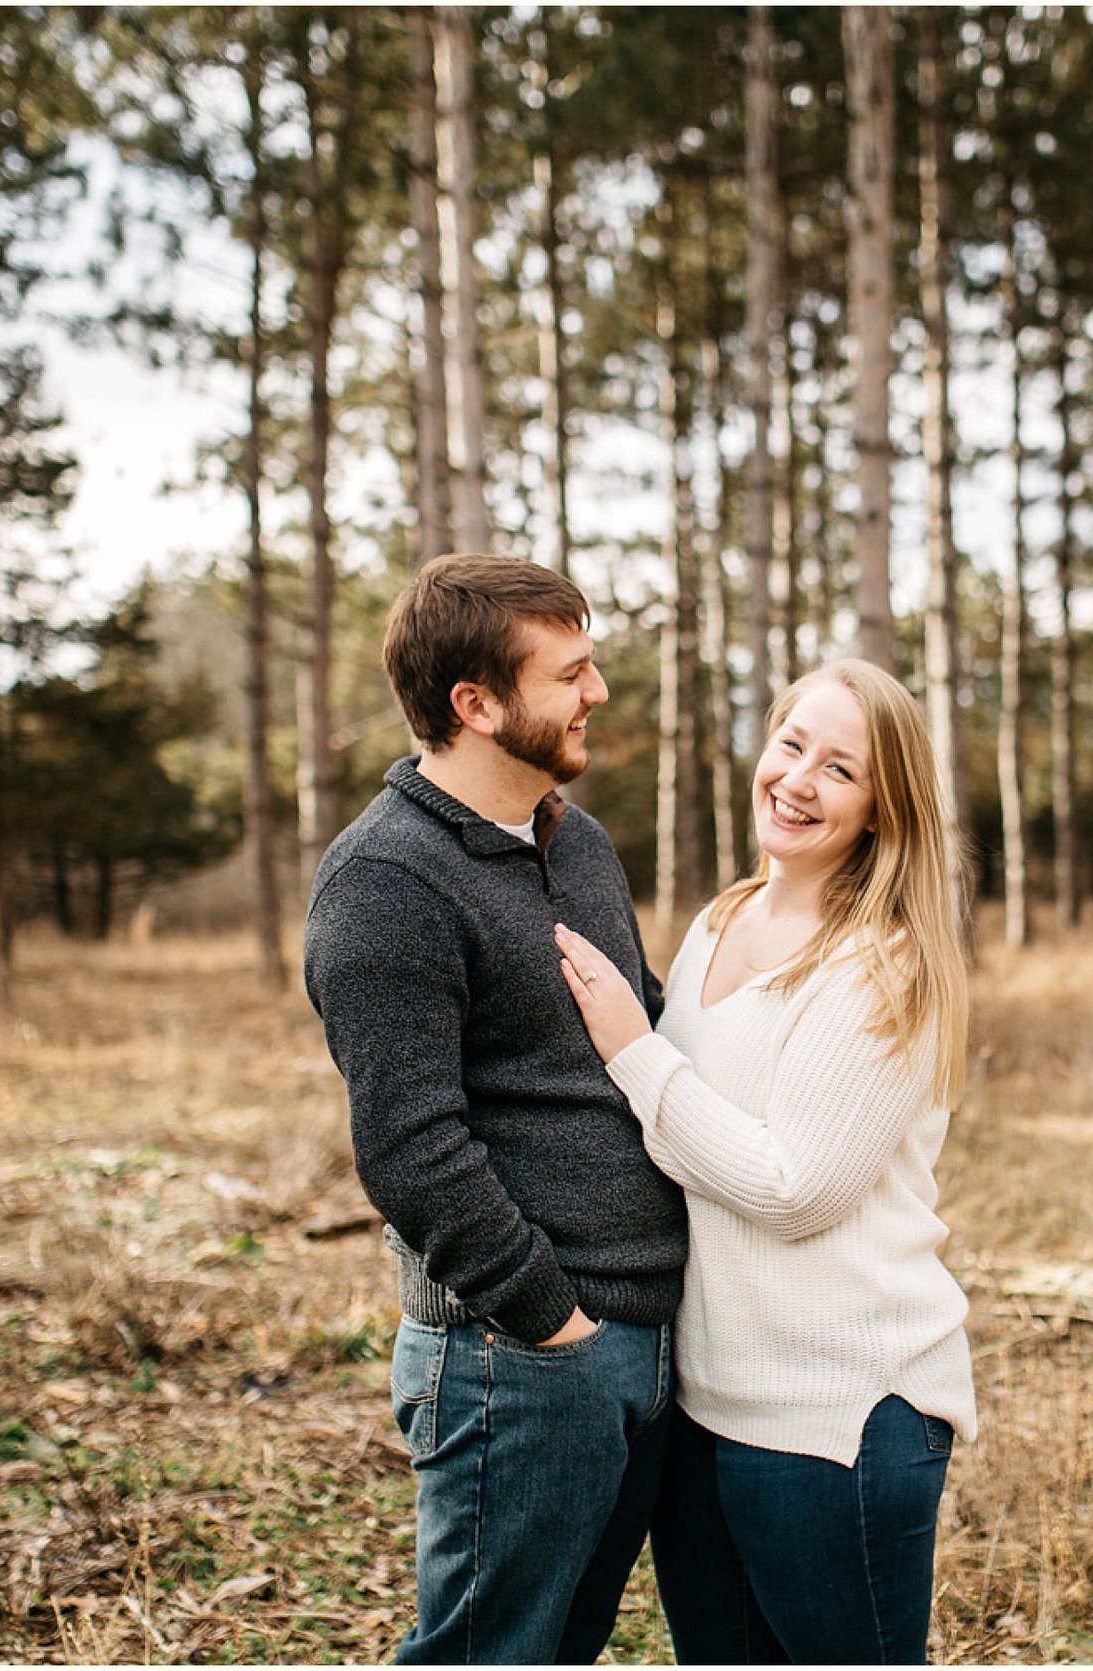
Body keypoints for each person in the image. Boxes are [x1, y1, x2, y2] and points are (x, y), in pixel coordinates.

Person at [553, 658, 977, 1666]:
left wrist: (633, 1049)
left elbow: (797, 1189)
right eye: (790, 744)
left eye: (839, 770)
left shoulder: (882, 961)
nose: (797, 781)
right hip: (705, 1402)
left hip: (837, 1415)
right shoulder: (720, 920)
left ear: (882, 809)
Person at [301, 554, 684, 1665]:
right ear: (476, 705)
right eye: (570, 673)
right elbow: (411, 1149)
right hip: (516, 1356)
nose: (597, 691)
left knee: (563, 1647)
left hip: (643, 1338)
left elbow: (642, 1040)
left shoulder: (579, 840)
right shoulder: (385, 882)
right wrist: (551, 1323)